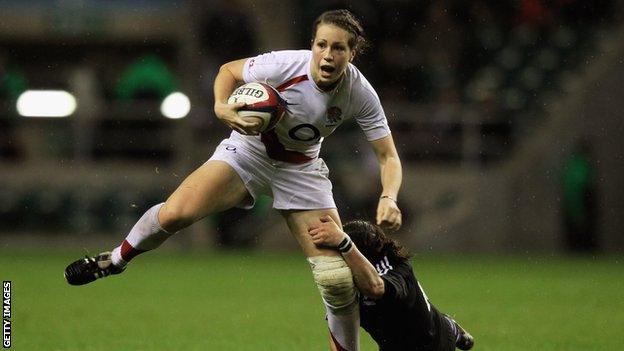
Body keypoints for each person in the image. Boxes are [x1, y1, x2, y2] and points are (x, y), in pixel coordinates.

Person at [64, 9, 402, 351]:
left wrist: (389, 196)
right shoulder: (284, 65)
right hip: (248, 153)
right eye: (322, 45)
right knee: (175, 214)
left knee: (337, 281)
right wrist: (221, 107)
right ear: (312, 45)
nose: (328, 55)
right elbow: (228, 71)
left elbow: (388, 156)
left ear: (352, 53)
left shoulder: (360, 92)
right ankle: (116, 260)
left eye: (339, 48)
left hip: (301, 170)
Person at [309, 215, 474, 351]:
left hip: (433, 344)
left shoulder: (397, 268)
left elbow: (375, 288)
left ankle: (451, 328)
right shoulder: (344, 280)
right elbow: (339, 332)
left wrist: (344, 243)